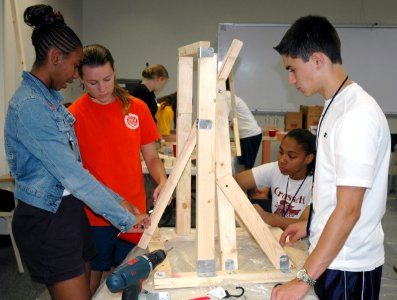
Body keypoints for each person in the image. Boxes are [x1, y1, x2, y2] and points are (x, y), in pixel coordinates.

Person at [4, 5, 149, 300]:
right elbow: (72, 176)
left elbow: (76, 170)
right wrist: (124, 217)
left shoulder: (50, 100)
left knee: (90, 291)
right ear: (56, 57)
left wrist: (120, 201)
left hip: (69, 213)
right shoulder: (30, 106)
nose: (75, 75)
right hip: (47, 219)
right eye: (75, 66)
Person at [271, 15, 390, 299]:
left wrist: (302, 281)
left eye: (292, 69)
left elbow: (349, 210)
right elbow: (332, 188)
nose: (290, 79)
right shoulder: (334, 106)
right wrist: (311, 222)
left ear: (317, 60)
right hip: (331, 257)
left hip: (349, 266)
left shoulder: (355, 115)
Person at [69, 44, 167, 294]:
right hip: (94, 216)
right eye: (92, 83)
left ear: (115, 71)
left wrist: (163, 181)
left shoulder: (137, 108)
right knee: (93, 283)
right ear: (80, 78)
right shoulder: (73, 115)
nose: (101, 88)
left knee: (131, 280)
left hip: (134, 215)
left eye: (107, 79)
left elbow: (153, 158)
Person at [234, 128, 315, 230]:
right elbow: (234, 181)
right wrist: (244, 204)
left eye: (291, 156)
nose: (282, 160)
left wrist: (267, 217)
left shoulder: (317, 183)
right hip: (275, 235)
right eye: (281, 152)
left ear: (308, 158)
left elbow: (304, 224)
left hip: (301, 242)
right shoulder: (276, 168)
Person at [226, 79, 262, 171]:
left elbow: (221, 120)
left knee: (245, 168)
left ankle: (244, 185)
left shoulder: (226, 96)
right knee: (242, 166)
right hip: (247, 135)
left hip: (249, 135)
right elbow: (229, 121)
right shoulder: (228, 96)